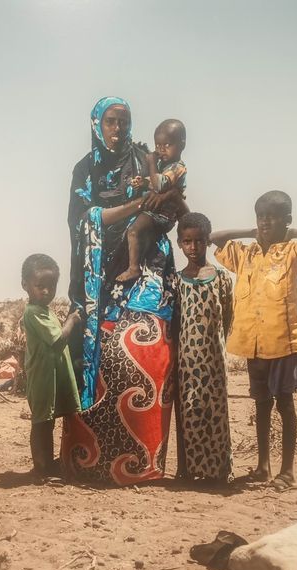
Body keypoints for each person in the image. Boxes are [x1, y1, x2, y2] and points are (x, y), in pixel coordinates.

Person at [63, 97, 184, 485]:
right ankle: (91, 463)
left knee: (149, 355)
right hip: (101, 275)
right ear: (97, 123)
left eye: (124, 121)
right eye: (111, 121)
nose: (118, 128)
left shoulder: (145, 158)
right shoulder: (86, 170)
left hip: (149, 269)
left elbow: (174, 205)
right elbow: (83, 221)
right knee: (100, 358)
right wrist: (136, 205)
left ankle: (144, 462)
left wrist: (159, 201)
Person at [211, 191, 297, 491]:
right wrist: (252, 232)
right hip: (253, 343)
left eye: (272, 216)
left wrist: (287, 233)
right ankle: (263, 466)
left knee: (284, 404)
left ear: (287, 219)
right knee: (261, 404)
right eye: (261, 216)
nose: (265, 221)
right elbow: (214, 237)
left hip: (282, 342)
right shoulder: (246, 254)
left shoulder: (291, 253)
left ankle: (287, 471)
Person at [173, 212, 233, 484]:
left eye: (198, 241)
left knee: (215, 412)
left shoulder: (221, 277)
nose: (193, 247)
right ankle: (187, 469)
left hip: (214, 359)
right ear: (179, 243)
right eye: (187, 241)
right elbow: (175, 321)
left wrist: (216, 342)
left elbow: (228, 316)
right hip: (186, 360)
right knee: (188, 412)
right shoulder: (177, 281)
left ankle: (219, 471)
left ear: (208, 242)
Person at [21, 253, 81, 478]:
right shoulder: (34, 313)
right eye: (40, 286)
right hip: (42, 378)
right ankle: (41, 467)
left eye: (51, 286)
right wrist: (72, 321)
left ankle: (46, 464)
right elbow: (57, 341)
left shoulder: (43, 310)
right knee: (41, 423)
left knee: (47, 422)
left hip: (50, 376)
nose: (46, 291)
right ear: (25, 285)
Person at [116, 119, 187, 282]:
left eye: (167, 145)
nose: (161, 150)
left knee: (133, 231)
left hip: (163, 215)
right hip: (157, 213)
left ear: (181, 145)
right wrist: (142, 182)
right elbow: (154, 182)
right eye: (157, 146)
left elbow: (160, 185)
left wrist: (151, 163)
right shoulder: (166, 165)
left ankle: (134, 268)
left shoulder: (178, 167)